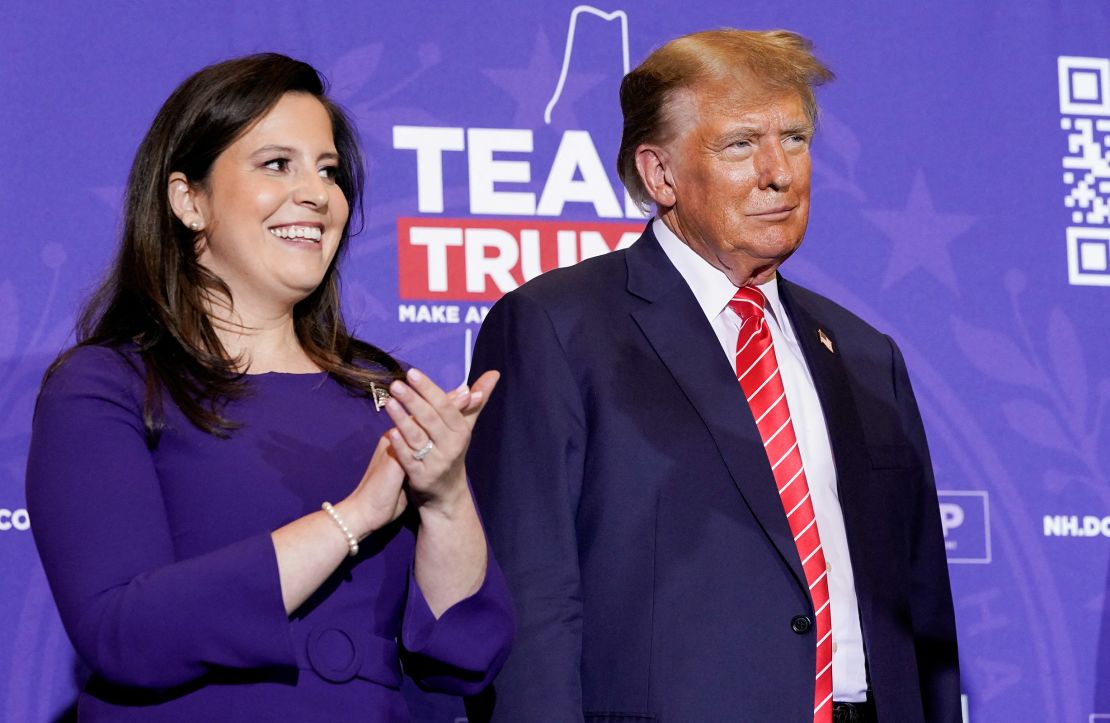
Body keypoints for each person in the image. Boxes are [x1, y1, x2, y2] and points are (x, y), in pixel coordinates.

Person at [466, 29, 959, 723]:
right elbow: (530, 595)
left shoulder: (866, 353)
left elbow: (923, 606)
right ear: (660, 174)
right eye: (739, 144)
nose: (779, 171)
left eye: (793, 137)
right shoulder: (556, 328)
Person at [26, 53, 511, 721]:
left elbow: (467, 653)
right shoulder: (108, 386)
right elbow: (124, 632)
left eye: (328, 170)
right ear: (187, 199)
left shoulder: (388, 393)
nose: (316, 193)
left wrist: (449, 496)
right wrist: (355, 517)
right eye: (276, 164)